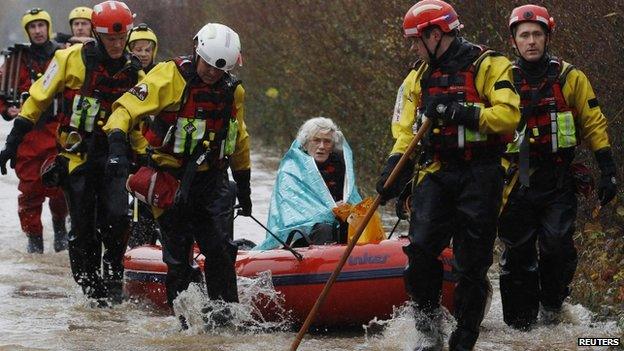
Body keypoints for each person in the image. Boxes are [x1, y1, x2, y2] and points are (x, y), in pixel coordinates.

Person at [376, 1, 520, 349]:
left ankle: (465, 336)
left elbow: (509, 115)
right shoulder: (417, 78)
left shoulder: (491, 64)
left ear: (436, 34)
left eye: (415, 40)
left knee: (473, 262)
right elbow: (406, 130)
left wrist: (461, 112)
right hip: (436, 171)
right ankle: (429, 331)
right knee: (421, 251)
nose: (413, 48)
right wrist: (392, 171)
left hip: (482, 173)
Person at [103, 23, 251, 320]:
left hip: (212, 180)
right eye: (207, 65)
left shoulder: (232, 91)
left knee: (221, 251)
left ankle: (226, 321)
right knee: (179, 259)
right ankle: (186, 324)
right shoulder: (169, 76)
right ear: (197, 51)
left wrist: (244, 185)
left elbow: (239, 138)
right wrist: (118, 150)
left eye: (218, 69)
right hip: (171, 180)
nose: (211, 73)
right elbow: (124, 110)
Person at [0, 1, 142, 304]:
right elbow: (36, 100)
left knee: (117, 219)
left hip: (116, 157)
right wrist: (12, 142)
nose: (117, 45)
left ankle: (114, 279)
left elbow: (141, 124)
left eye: (121, 38)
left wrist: (148, 159)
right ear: (96, 33)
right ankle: (91, 290)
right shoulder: (67, 60)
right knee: (83, 228)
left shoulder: (136, 72)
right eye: (110, 38)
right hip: (77, 156)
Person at [498, 4, 617, 330]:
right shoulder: (501, 78)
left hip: (557, 179)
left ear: (547, 37)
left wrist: (607, 170)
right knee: (518, 256)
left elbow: (593, 123)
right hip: (515, 183)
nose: (531, 40)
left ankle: (551, 309)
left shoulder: (570, 77)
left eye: (537, 34)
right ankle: (518, 329)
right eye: (524, 35)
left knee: (557, 247)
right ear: (514, 41)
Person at [0, 8, 68, 254]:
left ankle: (60, 229)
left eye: (41, 26)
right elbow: (2, 94)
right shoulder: (17, 60)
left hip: (56, 130)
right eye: (33, 27)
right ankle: (34, 240)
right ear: (27, 30)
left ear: (48, 28)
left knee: (60, 188)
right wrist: (7, 111)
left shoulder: (63, 55)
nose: (38, 31)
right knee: (29, 191)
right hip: (27, 135)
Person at [255, 117, 363, 250]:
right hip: (304, 235)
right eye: (316, 140)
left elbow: (351, 198)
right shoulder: (291, 170)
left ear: (332, 146)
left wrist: (346, 208)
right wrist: (331, 210)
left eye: (327, 142)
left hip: (338, 224)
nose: (322, 147)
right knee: (323, 228)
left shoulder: (342, 167)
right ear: (305, 144)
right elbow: (293, 213)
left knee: (357, 221)